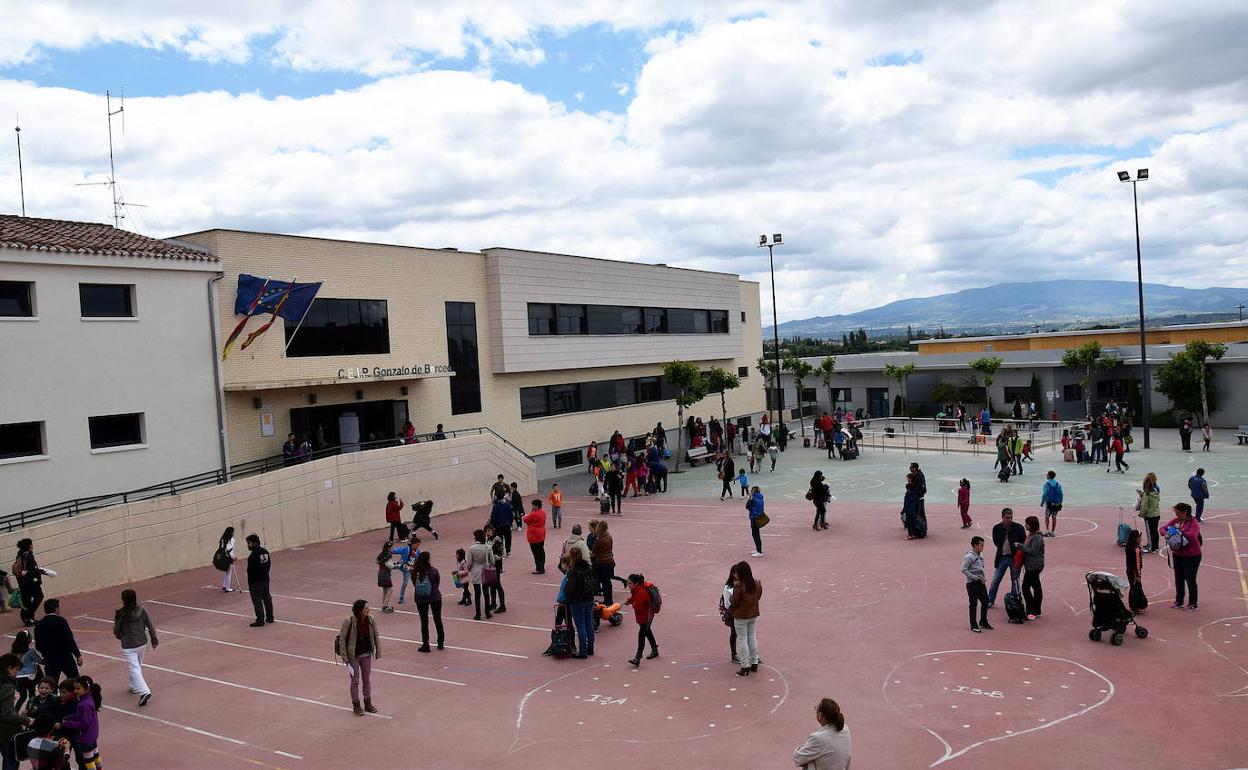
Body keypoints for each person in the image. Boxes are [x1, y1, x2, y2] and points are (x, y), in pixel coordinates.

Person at [112, 589, 158, 707]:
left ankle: (144, 692)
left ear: (123, 599)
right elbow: (150, 625)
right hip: (141, 642)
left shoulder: (120, 613)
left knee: (135, 668)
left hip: (128, 645)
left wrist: (120, 635)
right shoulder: (142, 610)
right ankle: (133, 686)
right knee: (137, 665)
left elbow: (116, 630)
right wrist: (154, 638)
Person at [337, 599, 381, 715]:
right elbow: (342, 639)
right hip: (353, 656)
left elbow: (376, 635)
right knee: (355, 681)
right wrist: (345, 658)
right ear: (360, 610)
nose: (368, 610)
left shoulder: (371, 619)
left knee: (366, 680)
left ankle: (368, 703)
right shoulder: (349, 621)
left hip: (366, 654)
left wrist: (378, 651)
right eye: (366, 608)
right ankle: (356, 705)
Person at [793, 697, 852, 770]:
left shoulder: (818, 738)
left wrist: (799, 749)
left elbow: (798, 759)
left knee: (809, 760)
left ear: (820, 715)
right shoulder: (845, 728)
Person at [1162, 503, 1202, 610]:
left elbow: (1192, 536)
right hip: (1178, 554)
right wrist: (1166, 533)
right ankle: (1179, 601)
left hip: (1192, 555)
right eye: (1176, 513)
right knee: (1178, 578)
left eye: (1178, 513)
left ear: (1185, 512)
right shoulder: (1176, 521)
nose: (1177, 516)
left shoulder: (1194, 522)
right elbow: (1162, 528)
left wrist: (1179, 531)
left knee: (1190, 579)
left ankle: (1193, 603)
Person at [33, 601, 81, 684]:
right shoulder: (61, 621)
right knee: (75, 681)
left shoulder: (39, 624)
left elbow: (38, 645)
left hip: (50, 659)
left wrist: (46, 653)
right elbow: (69, 639)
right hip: (65, 657)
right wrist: (77, 655)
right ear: (56, 609)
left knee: (51, 684)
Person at [987, 509, 1026, 608]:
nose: (1009, 520)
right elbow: (996, 542)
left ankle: (1014, 600)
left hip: (1015, 558)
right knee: (996, 579)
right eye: (1007, 518)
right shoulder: (996, 528)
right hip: (1002, 557)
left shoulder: (1018, 528)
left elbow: (1023, 541)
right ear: (1002, 517)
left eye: (1011, 518)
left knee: (1015, 580)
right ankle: (990, 600)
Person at [60, 677, 102, 770]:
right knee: (95, 757)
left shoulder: (84, 704)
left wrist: (66, 723)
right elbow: (80, 715)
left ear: (86, 689)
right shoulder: (88, 699)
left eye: (78, 689)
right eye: (75, 688)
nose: (75, 691)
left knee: (88, 762)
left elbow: (84, 723)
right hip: (92, 735)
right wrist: (68, 718)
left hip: (85, 738)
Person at [730, 560, 763, 677]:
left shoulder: (739, 586)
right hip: (753, 614)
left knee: (742, 639)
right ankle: (754, 661)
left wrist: (732, 595)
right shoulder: (757, 583)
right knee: (752, 637)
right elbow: (758, 597)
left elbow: (734, 602)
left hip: (740, 616)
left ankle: (744, 666)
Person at [0, 652, 30, 770]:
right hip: (6, 732)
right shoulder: (7, 686)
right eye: (16, 669)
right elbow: (7, 714)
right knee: (11, 763)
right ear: (9, 668)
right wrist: (27, 720)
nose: (17, 673)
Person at [565, 548, 596, 659]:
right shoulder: (588, 568)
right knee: (589, 623)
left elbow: (570, 588)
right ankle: (590, 647)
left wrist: (567, 595)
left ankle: (582, 651)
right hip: (589, 598)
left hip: (577, 600)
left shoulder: (573, 571)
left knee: (580, 625)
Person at [410, 551, 444, 652]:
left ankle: (426, 644)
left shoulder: (415, 572)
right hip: (434, 597)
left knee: (424, 621)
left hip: (421, 598)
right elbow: (437, 582)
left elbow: (414, 584)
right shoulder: (433, 571)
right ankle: (440, 642)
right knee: (437, 619)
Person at [625, 574, 659, 667]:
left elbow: (638, 606)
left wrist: (632, 603)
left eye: (630, 583)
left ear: (636, 583)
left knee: (641, 635)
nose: (628, 585)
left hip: (646, 616)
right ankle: (654, 649)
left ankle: (638, 657)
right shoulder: (636, 590)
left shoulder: (641, 593)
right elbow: (634, 598)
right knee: (647, 631)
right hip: (644, 615)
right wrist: (630, 600)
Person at [14, 539, 48, 627]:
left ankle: (27, 618)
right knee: (39, 596)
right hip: (30, 582)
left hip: (23, 582)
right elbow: (31, 569)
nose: (33, 546)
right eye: (31, 544)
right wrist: (41, 571)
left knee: (27, 601)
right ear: (29, 546)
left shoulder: (20, 554)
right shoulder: (28, 555)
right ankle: (28, 616)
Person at [961, 536, 992, 632]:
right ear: (975, 545)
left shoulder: (981, 555)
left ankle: (983, 621)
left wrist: (982, 578)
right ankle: (973, 624)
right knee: (973, 604)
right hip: (972, 584)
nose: (983, 547)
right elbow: (964, 569)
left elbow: (981, 568)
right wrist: (974, 578)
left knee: (985, 602)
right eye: (981, 545)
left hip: (981, 583)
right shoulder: (969, 557)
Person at [1019, 516, 1045, 620]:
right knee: (1036, 586)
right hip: (1032, 565)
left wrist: (1021, 546)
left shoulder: (1037, 537)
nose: (1025, 525)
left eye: (1027, 524)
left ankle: (1031, 609)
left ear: (1032, 525)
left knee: (1025, 587)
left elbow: (1034, 551)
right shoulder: (1031, 535)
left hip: (1034, 565)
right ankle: (1036, 609)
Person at [245, 534, 274, 627]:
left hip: (256, 582)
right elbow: (269, 564)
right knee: (267, 598)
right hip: (265, 579)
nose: (247, 545)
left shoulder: (253, 556)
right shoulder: (265, 552)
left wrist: (251, 582)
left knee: (257, 601)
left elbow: (250, 571)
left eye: (249, 543)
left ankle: (260, 620)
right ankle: (270, 617)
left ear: (254, 543)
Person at [466, 530, 492, 620]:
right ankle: (487, 612)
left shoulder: (471, 548)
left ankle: (478, 614)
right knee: (486, 593)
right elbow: (492, 560)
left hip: (475, 571)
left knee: (477, 593)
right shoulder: (488, 547)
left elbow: (469, 563)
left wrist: (469, 569)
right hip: (486, 570)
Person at [482, 525, 508, 615]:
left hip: (496, 565)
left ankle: (502, 605)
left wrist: (495, 557)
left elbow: (501, 552)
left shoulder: (497, 539)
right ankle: (493, 603)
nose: (487, 533)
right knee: (491, 584)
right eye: (486, 531)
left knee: (497, 585)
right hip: (489, 566)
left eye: (489, 531)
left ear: (492, 530)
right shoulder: (487, 540)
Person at [12, 631, 40, 710]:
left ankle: (15, 712)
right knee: (32, 695)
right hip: (29, 677)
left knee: (22, 697)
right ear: (27, 640)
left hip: (18, 677)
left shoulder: (14, 652)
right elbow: (39, 660)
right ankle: (29, 711)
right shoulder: (31, 652)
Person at [591, 520, 616, 606]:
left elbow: (593, 551)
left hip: (601, 562)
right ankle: (609, 599)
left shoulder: (599, 540)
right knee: (608, 582)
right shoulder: (609, 536)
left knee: (604, 582)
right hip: (609, 560)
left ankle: (607, 600)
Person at [1137, 473, 1161, 553]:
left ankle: (1151, 547)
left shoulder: (1146, 495)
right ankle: (1155, 545)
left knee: (1150, 531)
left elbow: (1144, 506)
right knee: (1154, 531)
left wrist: (1141, 514)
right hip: (1156, 513)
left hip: (1150, 515)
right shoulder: (1156, 491)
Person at [1125, 530, 1147, 614]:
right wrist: (1138, 575)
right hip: (1134, 571)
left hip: (1129, 570)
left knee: (1133, 587)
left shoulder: (1129, 547)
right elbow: (1137, 563)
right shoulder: (1135, 549)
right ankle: (1137, 606)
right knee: (1136, 587)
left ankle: (1133, 605)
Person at [523, 499, 548, 574]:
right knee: (541, 551)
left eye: (533, 505)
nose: (532, 507)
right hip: (541, 534)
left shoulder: (534, 514)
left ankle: (539, 568)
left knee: (536, 553)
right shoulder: (543, 513)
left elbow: (525, 519)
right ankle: (542, 567)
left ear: (536, 506)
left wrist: (530, 512)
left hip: (534, 535)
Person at [721, 566, 739, 663]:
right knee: (734, 632)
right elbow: (727, 603)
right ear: (732, 574)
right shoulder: (728, 587)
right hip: (732, 613)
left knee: (743, 634)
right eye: (737, 573)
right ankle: (734, 654)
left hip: (740, 612)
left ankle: (751, 654)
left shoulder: (742, 584)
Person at [1040, 471, 1063, 537]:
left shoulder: (1046, 484)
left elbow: (1045, 494)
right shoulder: (1058, 484)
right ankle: (1053, 531)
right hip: (1056, 503)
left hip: (1049, 503)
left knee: (1047, 517)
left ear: (1049, 476)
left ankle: (1047, 530)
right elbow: (1061, 494)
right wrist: (1060, 502)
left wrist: (1042, 502)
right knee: (1054, 517)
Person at [375, 541, 396, 613]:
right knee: (390, 589)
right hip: (385, 574)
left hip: (380, 573)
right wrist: (399, 565)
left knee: (385, 590)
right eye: (392, 547)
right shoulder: (388, 555)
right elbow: (391, 566)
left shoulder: (381, 554)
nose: (393, 549)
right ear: (388, 548)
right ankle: (385, 605)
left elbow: (377, 561)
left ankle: (384, 605)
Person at [746, 486, 766, 557]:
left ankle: (759, 551)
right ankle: (758, 549)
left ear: (753, 491)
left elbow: (747, 506)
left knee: (755, 534)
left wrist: (750, 497)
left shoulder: (753, 499)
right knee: (756, 534)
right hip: (758, 517)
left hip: (754, 518)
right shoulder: (760, 498)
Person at [218, 527, 238, 592]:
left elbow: (221, 548)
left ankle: (224, 585)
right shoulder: (231, 539)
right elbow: (230, 550)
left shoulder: (222, 539)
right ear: (231, 532)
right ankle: (227, 588)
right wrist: (233, 557)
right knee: (229, 572)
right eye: (233, 532)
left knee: (226, 571)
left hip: (223, 557)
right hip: (228, 557)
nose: (233, 533)